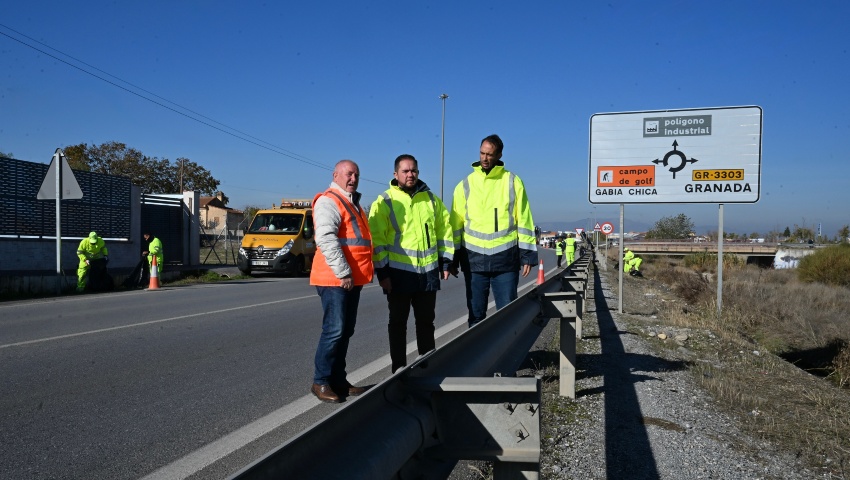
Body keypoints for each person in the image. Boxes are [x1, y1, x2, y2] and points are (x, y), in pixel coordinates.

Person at [368, 154, 454, 373]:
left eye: (414, 170)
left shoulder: (431, 200)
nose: (410, 175)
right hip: (398, 275)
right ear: (395, 174)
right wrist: (383, 274)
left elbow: (444, 230)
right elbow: (377, 240)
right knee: (397, 324)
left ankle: (427, 367)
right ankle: (399, 369)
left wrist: (445, 262)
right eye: (405, 171)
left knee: (426, 323)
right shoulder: (386, 201)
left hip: (427, 274)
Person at [449, 134, 538, 327]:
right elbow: (455, 225)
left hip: (505, 260)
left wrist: (528, 255)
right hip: (473, 261)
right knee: (476, 317)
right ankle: (477, 358)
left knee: (507, 316)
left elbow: (524, 219)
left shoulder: (513, 182)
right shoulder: (464, 185)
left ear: (499, 155)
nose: (484, 158)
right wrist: (452, 258)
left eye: (489, 154)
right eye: (482, 153)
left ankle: (508, 357)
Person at [309, 160, 374, 403]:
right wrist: (343, 272)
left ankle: (338, 380)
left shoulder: (352, 202)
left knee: (346, 330)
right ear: (335, 175)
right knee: (334, 330)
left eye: (356, 174)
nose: (353, 178)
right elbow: (325, 238)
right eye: (348, 174)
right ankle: (321, 381)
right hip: (335, 277)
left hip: (350, 278)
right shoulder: (329, 200)